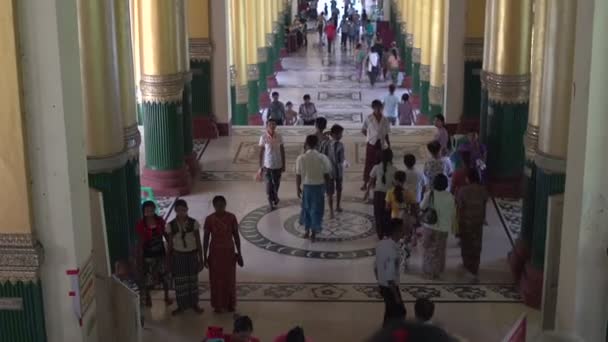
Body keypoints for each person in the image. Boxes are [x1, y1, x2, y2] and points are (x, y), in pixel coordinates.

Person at [203, 196, 244, 313]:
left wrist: (240, 253)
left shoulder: (231, 218)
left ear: (225, 205)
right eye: (218, 206)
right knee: (216, 280)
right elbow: (205, 238)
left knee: (229, 279)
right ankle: (218, 305)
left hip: (229, 253)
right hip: (215, 254)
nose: (220, 208)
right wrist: (204, 256)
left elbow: (236, 236)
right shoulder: (209, 219)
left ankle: (230, 304)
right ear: (214, 206)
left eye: (222, 205)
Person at [166, 199, 204, 315]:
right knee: (180, 282)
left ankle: (194, 304)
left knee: (193, 280)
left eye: (184, 210)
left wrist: (201, 259)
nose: (181, 212)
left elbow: (198, 242)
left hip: (192, 255)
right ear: (175, 210)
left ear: (187, 210)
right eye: (179, 210)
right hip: (178, 256)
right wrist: (169, 261)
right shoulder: (171, 225)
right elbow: (170, 245)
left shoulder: (193, 223)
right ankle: (181, 305)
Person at [295, 135, 332, 242]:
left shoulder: (301, 158)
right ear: (317, 144)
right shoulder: (322, 158)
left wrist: (297, 188)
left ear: (306, 144)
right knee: (316, 210)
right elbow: (327, 175)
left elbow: (298, 175)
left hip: (307, 187)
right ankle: (314, 233)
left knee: (306, 209)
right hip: (319, 188)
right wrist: (328, 187)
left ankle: (306, 231)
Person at [135, 201, 172, 307]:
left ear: (154, 210)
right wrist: (140, 256)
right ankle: (148, 297)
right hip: (148, 255)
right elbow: (140, 242)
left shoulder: (160, 221)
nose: (149, 212)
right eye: (147, 210)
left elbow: (166, 235)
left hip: (160, 254)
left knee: (165, 276)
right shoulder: (141, 225)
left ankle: (166, 296)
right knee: (148, 278)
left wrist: (170, 249)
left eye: (151, 210)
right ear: (144, 212)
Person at [420, 174, 456, 280]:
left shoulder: (429, 194)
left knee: (428, 249)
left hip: (429, 226)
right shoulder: (450, 196)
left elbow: (422, 207)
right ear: (446, 184)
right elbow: (453, 213)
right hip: (443, 228)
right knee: (440, 250)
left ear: (434, 183)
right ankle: (437, 271)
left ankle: (428, 270)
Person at [457, 169, 488, 282]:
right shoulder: (483, 190)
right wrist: (483, 218)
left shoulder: (462, 191)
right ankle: (475, 268)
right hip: (478, 221)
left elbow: (460, 208)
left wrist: (457, 223)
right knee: (476, 245)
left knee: (466, 245)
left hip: (466, 222)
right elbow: (484, 206)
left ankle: (467, 267)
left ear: (468, 178)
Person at [375, 218, 407, 327]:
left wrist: (379, 282)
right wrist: (396, 297)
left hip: (383, 286)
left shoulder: (380, 244)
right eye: (402, 230)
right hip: (390, 288)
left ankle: (385, 333)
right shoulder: (392, 251)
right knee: (400, 312)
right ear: (397, 231)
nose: (404, 232)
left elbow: (375, 267)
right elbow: (389, 278)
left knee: (389, 312)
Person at [361, 100, 391, 192]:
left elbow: (386, 133)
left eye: (380, 107)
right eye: (376, 108)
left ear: (381, 108)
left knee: (379, 163)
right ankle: (366, 182)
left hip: (381, 144)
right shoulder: (369, 118)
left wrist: (388, 144)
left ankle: (376, 182)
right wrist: (370, 137)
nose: (378, 109)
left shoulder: (385, 120)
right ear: (373, 108)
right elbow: (363, 130)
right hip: (371, 144)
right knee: (369, 163)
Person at [367, 148, 397, 238]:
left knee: (378, 214)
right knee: (387, 214)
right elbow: (395, 184)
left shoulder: (376, 167)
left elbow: (371, 181)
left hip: (378, 194)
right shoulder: (394, 169)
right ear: (391, 157)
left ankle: (380, 233)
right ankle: (387, 232)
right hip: (389, 195)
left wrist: (367, 192)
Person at [385, 171, 419, 246]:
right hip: (405, 220)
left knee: (395, 240)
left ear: (395, 180)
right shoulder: (408, 192)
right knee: (405, 240)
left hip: (394, 219)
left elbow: (387, 208)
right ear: (404, 180)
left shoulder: (390, 192)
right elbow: (414, 207)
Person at [259, 119, 286, 210]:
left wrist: (283, 164)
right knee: (269, 184)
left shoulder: (279, 136)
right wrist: (260, 166)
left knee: (276, 183)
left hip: (278, 164)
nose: (272, 126)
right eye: (270, 124)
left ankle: (275, 196)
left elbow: (282, 151)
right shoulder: (263, 137)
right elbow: (261, 152)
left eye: (274, 124)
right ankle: (270, 201)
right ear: (267, 125)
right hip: (268, 165)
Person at [113, 260, 144, 326]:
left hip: (130, 309)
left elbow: (136, 297)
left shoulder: (130, 282)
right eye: (116, 268)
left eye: (119, 268)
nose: (117, 270)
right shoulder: (114, 280)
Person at [325, 124, 345, 219]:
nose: (341, 136)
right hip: (334, 171)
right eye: (339, 134)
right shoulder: (339, 145)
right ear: (333, 134)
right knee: (334, 190)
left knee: (332, 191)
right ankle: (335, 208)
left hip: (331, 171)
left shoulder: (326, 143)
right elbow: (341, 160)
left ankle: (334, 208)